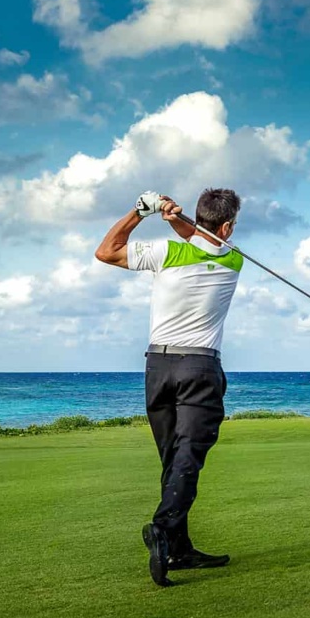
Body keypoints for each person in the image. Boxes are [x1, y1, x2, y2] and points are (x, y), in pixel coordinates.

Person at [95, 189, 243, 587]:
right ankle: (163, 530)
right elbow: (204, 241)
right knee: (186, 457)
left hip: (157, 366)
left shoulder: (166, 253)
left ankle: (178, 550)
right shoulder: (233, 259)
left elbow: (106, 252)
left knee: (174, 459)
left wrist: (141, 212)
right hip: (199, 366)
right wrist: (173, 218)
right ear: (227, 225)